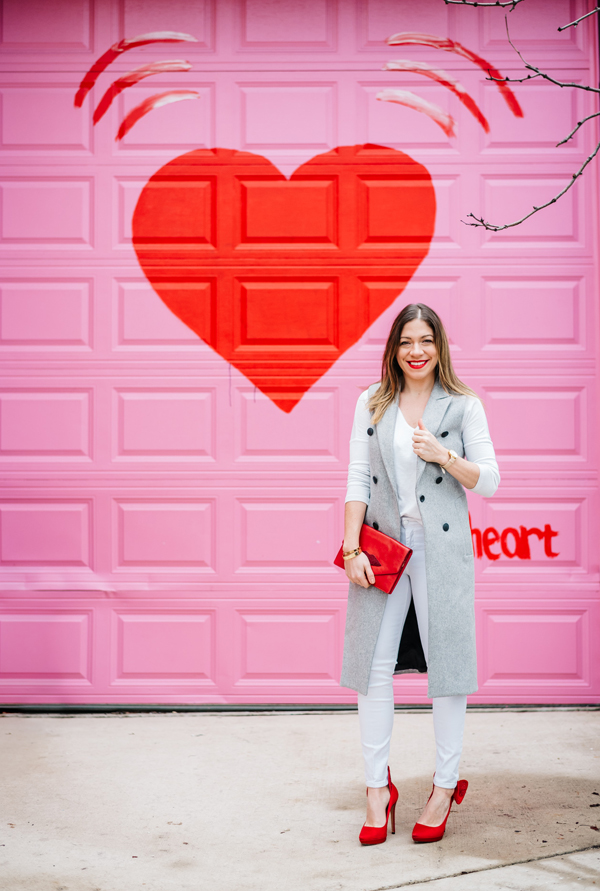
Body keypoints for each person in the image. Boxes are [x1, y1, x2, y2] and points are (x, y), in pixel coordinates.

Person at [340, 303, 499, 845]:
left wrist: (444, 455)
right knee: (372, 668)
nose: (416, 351)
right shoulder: (373, 401)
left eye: (426, 340)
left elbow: (490, 480)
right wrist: (350, 548)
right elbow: (357, 478)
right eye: (407, 340)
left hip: (442, 548)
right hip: (383, 549)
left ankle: (444, 785)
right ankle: (375, 789)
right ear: (394, 347)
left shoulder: (463, 405)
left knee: (448, 669)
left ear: (440, 346)